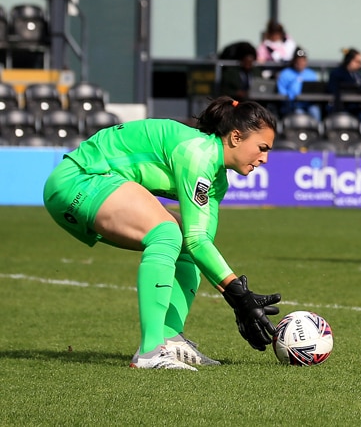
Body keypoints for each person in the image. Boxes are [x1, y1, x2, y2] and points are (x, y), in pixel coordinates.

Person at [41, 97, 281, 370]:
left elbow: (199, 242)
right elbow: (197, 240)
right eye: (262, 148)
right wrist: (239, 295)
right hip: (79, 180)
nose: (265, 158)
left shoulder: (216, 179)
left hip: (88, 188)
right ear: (236, 137)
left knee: (184, 248)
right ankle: (150, 351)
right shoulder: (197, 152)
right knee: (167, 233)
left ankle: (169, 338)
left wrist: (238, 299)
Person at [327, 47, 361, 121]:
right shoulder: (337, 74)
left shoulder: (357, 75)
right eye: (358, 62)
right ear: (350, 60)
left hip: (357, 108)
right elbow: (332, 90)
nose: (360, 65)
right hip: (343, 108)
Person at [276, 47, 321, 121]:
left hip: (308, 104)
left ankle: (317, 131)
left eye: (303, 60)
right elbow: (282, 92)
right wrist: (292, 97)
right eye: (298, 60)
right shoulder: (285, 74)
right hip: (293, 106)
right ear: (294, 61)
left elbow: (315, 90)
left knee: (315, 110)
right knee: (299, 114)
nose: (300, 63)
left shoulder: (311, 74)